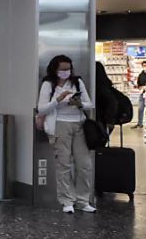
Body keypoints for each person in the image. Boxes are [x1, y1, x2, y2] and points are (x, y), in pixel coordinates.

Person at [36, 55, 95, 214]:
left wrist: (79, 103)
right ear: (54, 69)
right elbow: (42, 109)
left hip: (79, 125)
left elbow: (90, 104)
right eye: (62, 69)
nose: (65, 72)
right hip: (60, 125)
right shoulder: (48, 85)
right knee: (64, 163)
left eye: (68, 69)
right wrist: (58, 100)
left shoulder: (77, 82)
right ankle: (67, 200)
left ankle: (83, 200)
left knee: (84, 165)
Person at [95, 62, 120, 136]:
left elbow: (112, 102)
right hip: (105, 120)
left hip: (101, 119)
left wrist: (109, 121)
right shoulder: (106, 85)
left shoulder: (101, 88)